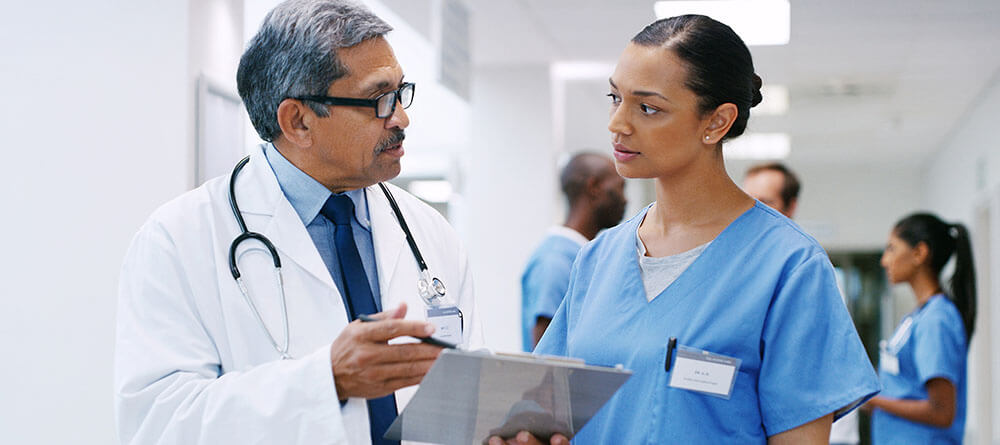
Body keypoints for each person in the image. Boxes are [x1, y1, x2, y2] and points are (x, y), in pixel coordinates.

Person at [500, 15, 880, 444]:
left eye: (647, 107)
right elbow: (550, 415)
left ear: (716, 122)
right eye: (614, 97)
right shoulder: (598, 258)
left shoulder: (789, 266)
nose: (617, 123)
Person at [114, 1, 481, 444]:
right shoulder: (177, 240)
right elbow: (157, 425)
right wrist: (324, 381)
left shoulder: (430, 234)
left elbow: (468, 398)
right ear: (298, 121)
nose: (401, 118)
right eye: (379, 100)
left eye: (401, 93)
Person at [742, 162, 858, 445]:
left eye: (765, 202)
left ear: (790, 206)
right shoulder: (743, 265)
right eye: (747, 200)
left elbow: (805, 373)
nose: (753, 210)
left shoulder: (808, 269)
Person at [864, 213, 976, 444]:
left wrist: (873, 401)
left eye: (892, 249)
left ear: (919, 253)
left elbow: (941, 412)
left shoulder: (937, 319)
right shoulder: (918, 316)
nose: (885, 260)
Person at [521, 153, 626, 351]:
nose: (625, 199)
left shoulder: (590, 255)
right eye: (619, 188)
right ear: (593, 188)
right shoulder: (554, 260)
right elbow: (547, 355)